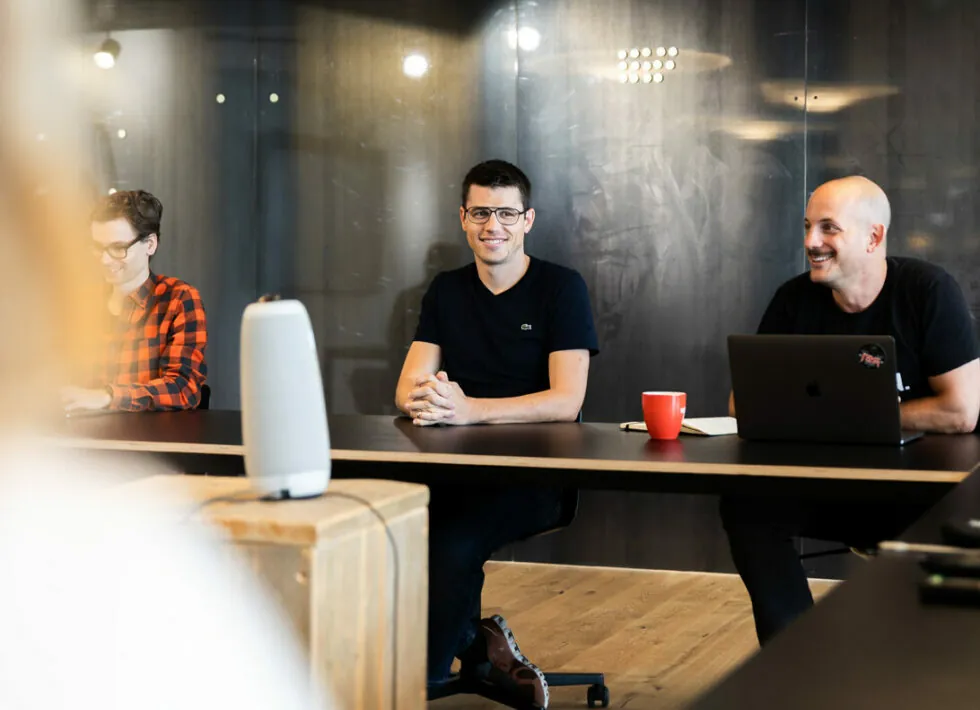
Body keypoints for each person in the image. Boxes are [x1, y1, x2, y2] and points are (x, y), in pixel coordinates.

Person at [722, 175, 980, 645]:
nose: (810, 242)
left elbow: (961, 411)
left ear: (873, 237)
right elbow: (744, 404)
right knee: (747, 505)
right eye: (806, 227)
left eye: (828, 228)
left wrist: (853, 416)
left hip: (924, 496)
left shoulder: (928, 292)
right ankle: (796, 656)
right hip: (831, 489)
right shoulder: (794, 299)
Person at [394, 160, 599, 708]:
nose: (494, 225)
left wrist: (470, 411)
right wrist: (429, 399)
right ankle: (477, 649)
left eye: (507, 213)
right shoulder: (447, 290)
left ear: (527, 219)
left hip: (536, 476)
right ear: (463, 218)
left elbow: (566, 401)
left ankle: (429, 679)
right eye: (481, 212)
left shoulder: (561, 287)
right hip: (452, 468)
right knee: (395, 525)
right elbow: (407, 386)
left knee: (453, 539)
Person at [62, 190, 208, 413]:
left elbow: (183, 389)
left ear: (150, 244)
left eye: (118, 248)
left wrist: (107, 397)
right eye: (98, 247)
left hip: (152, 442)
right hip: (84, 441)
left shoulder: (179, 299)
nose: (104, 259)